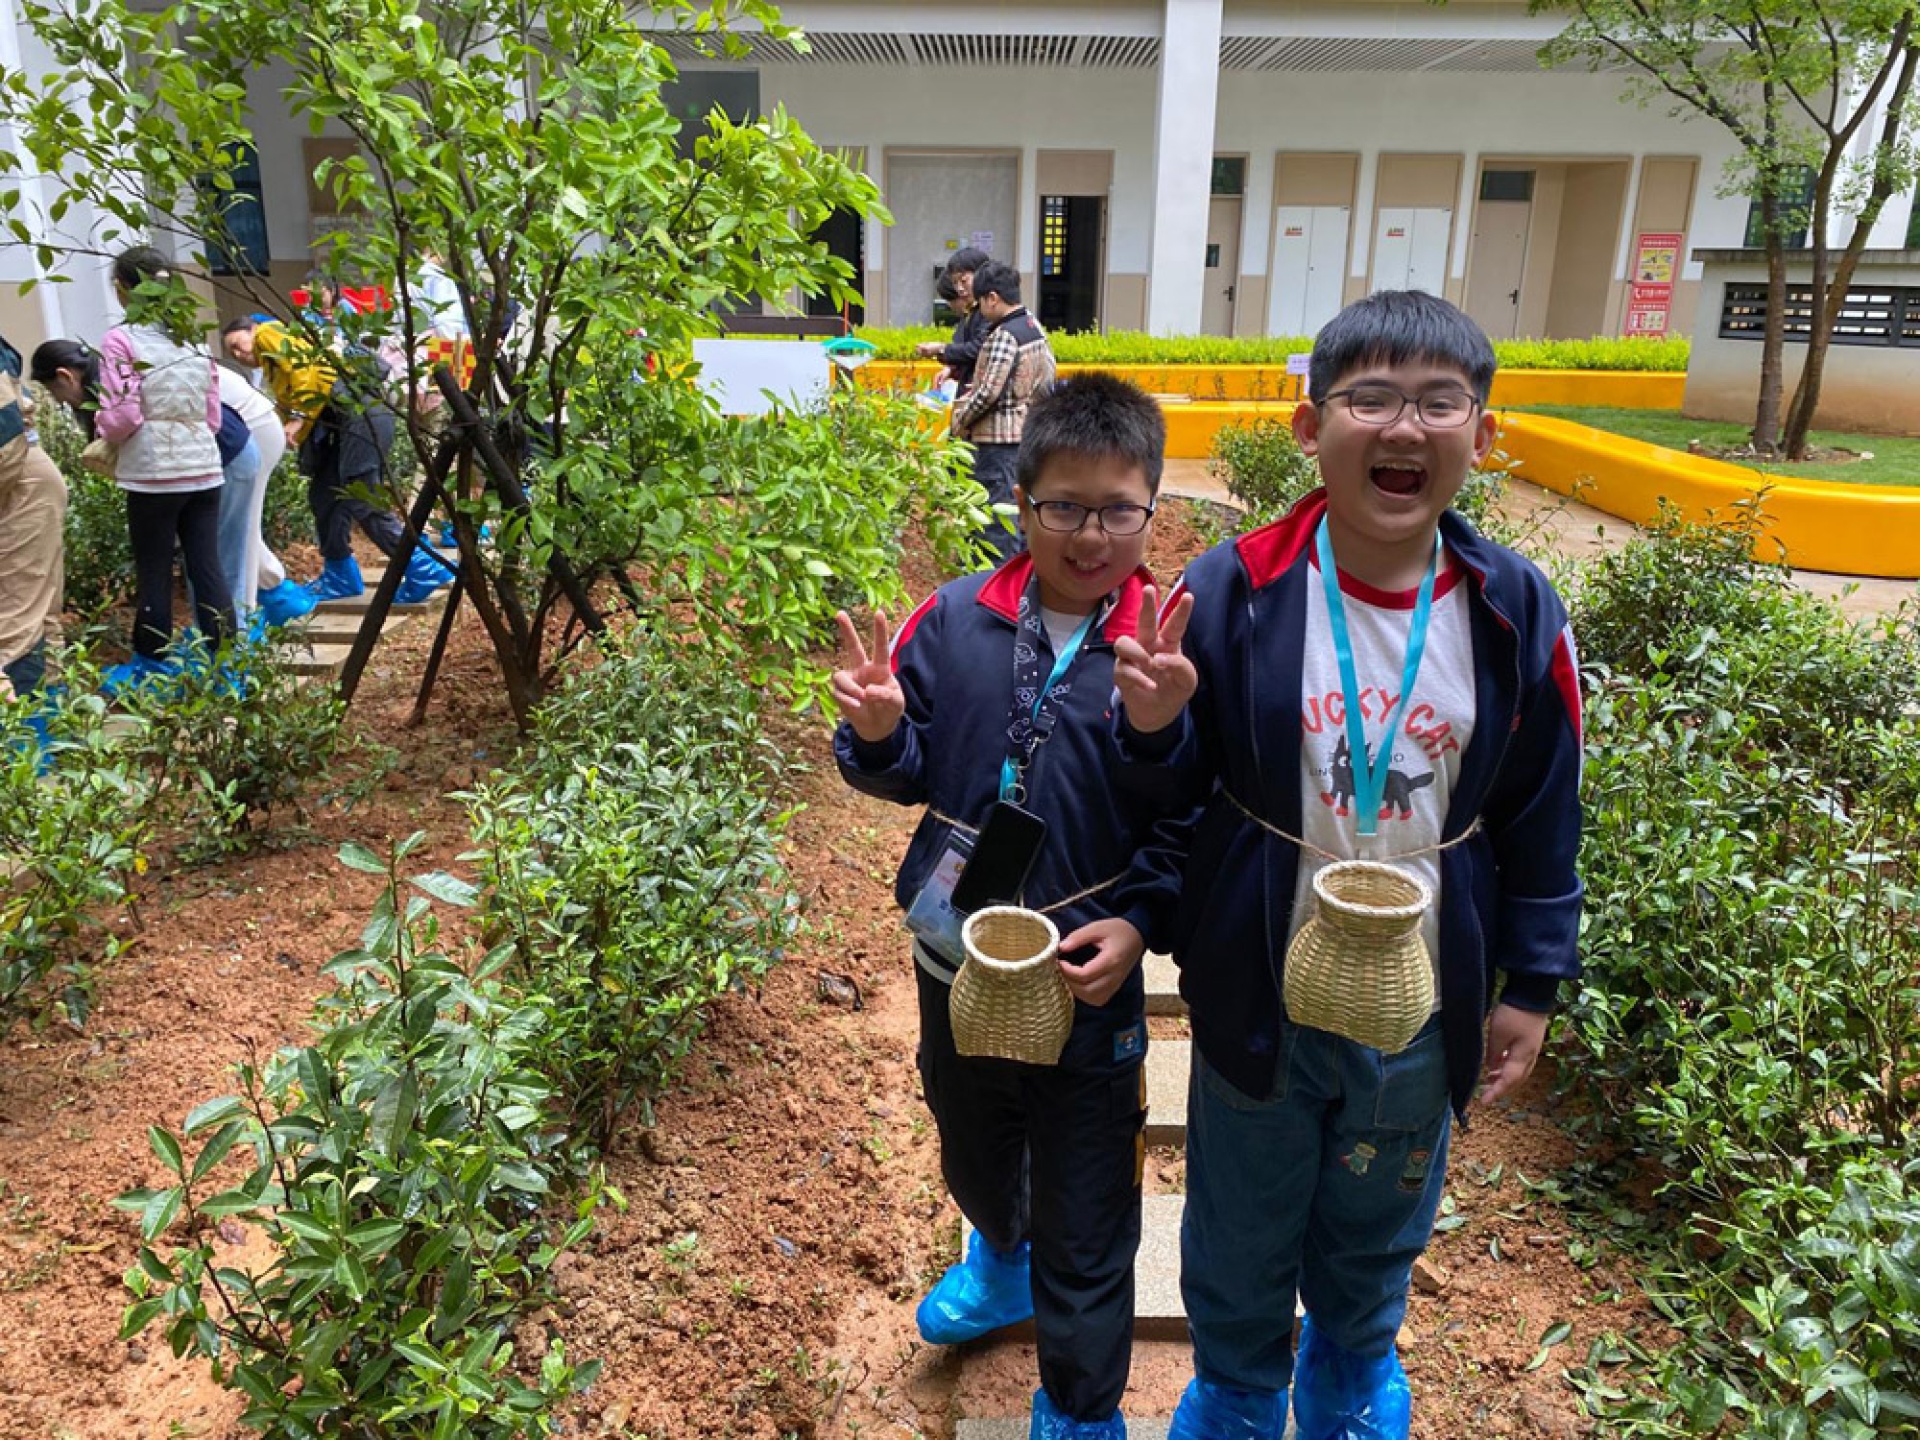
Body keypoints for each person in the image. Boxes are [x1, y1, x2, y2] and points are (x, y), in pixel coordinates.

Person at [1111, 290, 1584, 1440]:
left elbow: (1543, 811)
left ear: (1484, 433)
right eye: (1369, 398)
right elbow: (1171, 799)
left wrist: (1530, 983)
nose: (1404, 428)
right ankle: (1234, 1389)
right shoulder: (1233, 590)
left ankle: (1349, 1370)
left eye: (1439, 402)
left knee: (1383, 1211)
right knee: (1239, 1213)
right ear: (1308, 426)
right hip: (1260, 981)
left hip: (1424, 993)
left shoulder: (1514, 612)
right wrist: (1157, 729)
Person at [832, 373, 1174, 1440]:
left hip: (1088, 974)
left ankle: (1080, 1408)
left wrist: (1141, 921)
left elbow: (1191, 813)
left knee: (1092, 1204)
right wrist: (881, 735)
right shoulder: (955, 620)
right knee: (972, 1139)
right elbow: (906, 769)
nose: (1091, 535)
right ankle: (1000, 1249)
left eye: (1118, 509)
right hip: (957, 959)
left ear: (1153, 508)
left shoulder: (1164, 648)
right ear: (1021, 503)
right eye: (1064, 506)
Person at [34, 249, 233, 689]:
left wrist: (103, 430)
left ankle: (152, 664)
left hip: (154, 473)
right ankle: (225, 666)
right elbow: (213, 416)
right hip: (204, 467)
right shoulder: (192, 338)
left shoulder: (121, 340)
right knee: (207, 567)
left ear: (122, 289)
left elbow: (124, 416)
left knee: (154, 568)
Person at [221, 316, 449, 605]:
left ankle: (422, 566)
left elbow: (304, 375)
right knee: (325, 495)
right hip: (341, 426)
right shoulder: (273, 366)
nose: (238, 354)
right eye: (231, 353)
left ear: (252, 329)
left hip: (360, 417)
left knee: (361, 498)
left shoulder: (268, 333)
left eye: (237, 343)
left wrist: (298, 418)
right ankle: (340, 575)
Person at [949, 260, 1056, 562]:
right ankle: (1018, 571)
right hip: (1024, 434)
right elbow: (1048, 376)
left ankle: (994, 576)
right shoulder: (1032, 326)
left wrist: (959, 421)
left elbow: (987, 393)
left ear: (993, 298)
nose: (980, 310)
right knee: (1018, 509)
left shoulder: (1004, 335)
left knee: (997, 517)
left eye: (981, 302)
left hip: (997, 441)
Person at [213, 364, 315, 627]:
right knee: (233, 527)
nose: (238, 354)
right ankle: (276, 593)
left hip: (251, 430)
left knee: (240, 529)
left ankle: (242, 621)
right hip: (248, 427)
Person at [0, 331, 66, 702]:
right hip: (21, 476)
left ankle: (28, 723)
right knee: (35, 605)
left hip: (18, 481)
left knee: (19, 612)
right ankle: (50, 709)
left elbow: (4, 437)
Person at [916, 247, 990, 392]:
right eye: (955, 283)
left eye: (963, 281)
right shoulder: (972, 311)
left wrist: (941, 348)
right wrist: (952, 368)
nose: (960, 289)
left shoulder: (988, 310)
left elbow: (979, 348)